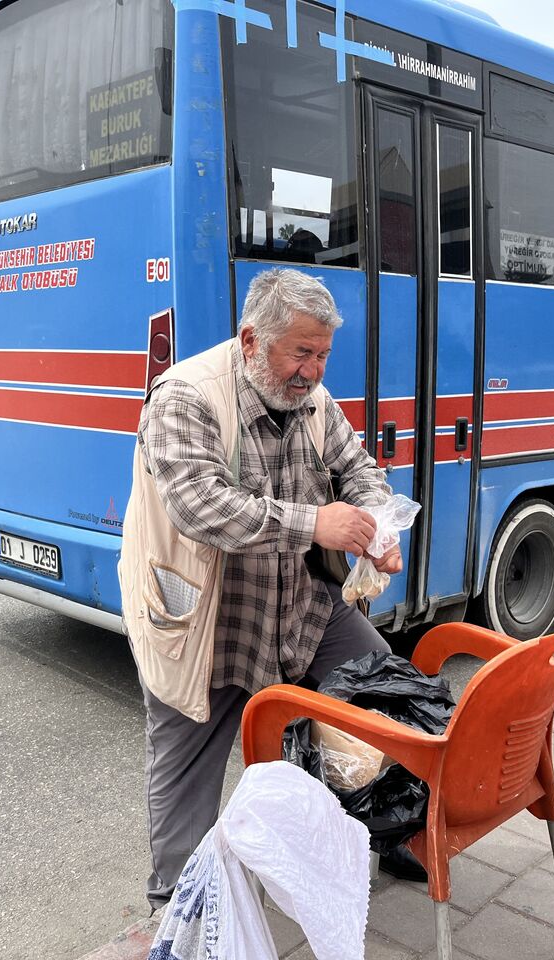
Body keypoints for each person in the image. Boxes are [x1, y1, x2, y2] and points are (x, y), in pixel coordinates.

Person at [119, 268, 402, 911]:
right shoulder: (184, 395)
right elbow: (201, 507)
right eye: (300, 352)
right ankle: (181, 907)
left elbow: (357, 468)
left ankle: (390, 828)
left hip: (301, 606)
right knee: (187, 761)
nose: (312, 370)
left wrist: (378, 522)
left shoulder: (314, 401)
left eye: (323, 354)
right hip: (206, 614)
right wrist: (314, 522)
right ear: (251, 340)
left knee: (385, 696)